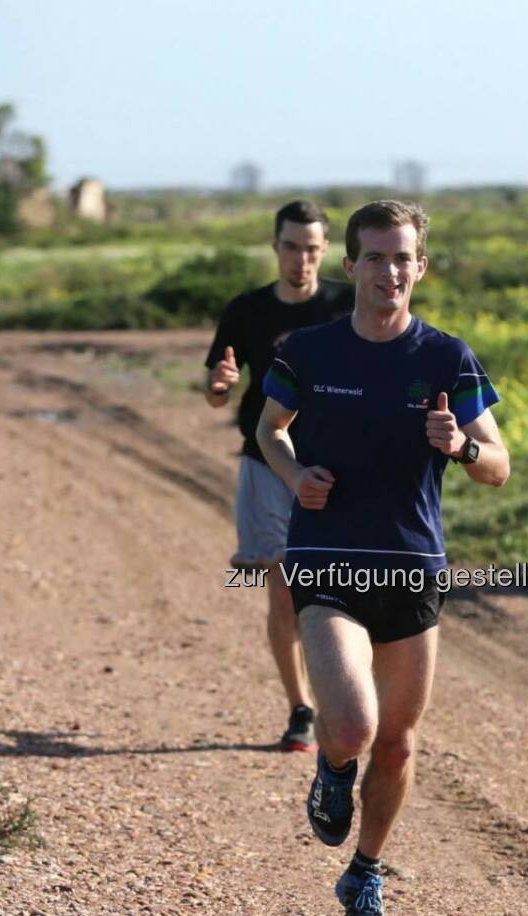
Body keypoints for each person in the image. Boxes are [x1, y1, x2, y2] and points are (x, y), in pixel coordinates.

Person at [256, 200, 510, 916]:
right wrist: (295, 473)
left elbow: (498, 465)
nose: (389, 271)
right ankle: (334, 766)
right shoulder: (309, 351)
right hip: (328, 561)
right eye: (375, 257)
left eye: (402, 258)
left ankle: (365, 872)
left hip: (412, 567)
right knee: (356, 724)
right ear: (351, 266)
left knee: (398, 743)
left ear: (420, 267)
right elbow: (269, 427)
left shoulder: (447, 357)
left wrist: (460, 445)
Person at [204, 200, 354, 753]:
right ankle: (301, 708)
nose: (302, 260)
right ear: (275, 247)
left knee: (338, 592)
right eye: (292, 247)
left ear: (325, 251)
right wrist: (220, 385)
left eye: (313, 249)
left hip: (336, 468)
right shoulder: (245, 311)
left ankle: (345, 697)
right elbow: (217, 393)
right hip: (266, 463)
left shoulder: (345, 305)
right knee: (285, 591)